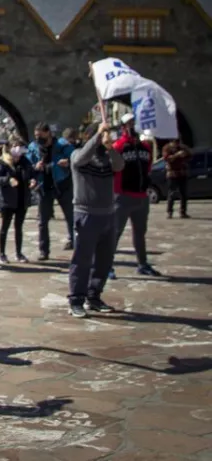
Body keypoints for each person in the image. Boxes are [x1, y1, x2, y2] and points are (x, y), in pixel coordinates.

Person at [68, 122, 124, 318]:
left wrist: (111, 149)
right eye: (101, 137)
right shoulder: (78, 154)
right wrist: (97, 136)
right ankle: (76, 300)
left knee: (104, 260)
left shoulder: (107, 157)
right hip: (86, 214)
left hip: (108, 214)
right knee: (82, 260)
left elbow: (120, 165)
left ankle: (94, 296)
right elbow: (80, 160)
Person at [112, 113, 160, 277]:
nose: (132, 126)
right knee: (115, 232)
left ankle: (142, 263)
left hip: (141, 195)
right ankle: (107, 265)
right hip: (122, 195)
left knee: (140, 232)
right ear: (123, 127)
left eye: (134, 122)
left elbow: (148, 168)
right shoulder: (118, 146)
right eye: (129, 123)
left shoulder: (146, 147)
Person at [26, 122, 76, 259]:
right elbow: (27, 166)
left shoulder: (62, 145)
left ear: (48, 133)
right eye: (36, 136)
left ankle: (76, 244)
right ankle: (44, 251)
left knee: (71, 217)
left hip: (62, 184)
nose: (38, 139)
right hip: (44, 187)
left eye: (40, 135)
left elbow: (77, 158)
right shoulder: (33, 147)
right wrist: (35, 167)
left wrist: (68, 162)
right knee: (42, 221)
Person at [0, 135, 35, 263]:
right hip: (8, 200)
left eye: (20, 147)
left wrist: (33, 180)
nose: (19, 150)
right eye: (16, 146)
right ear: (10, 148)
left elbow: (31, 174)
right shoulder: (3, 162)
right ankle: (2, 254)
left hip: (22, 199)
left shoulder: (25, 161)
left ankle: (19, 253)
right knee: (4, 227)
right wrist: (7, 179)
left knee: (19, 227)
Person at [162, 138, 191, 219]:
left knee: (184, 193)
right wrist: (177, 155)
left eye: (178, 142)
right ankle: (170, 212)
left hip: (182, 173)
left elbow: (190, 155)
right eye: (175, 142)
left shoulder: (183, 147)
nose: (177, 144)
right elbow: (166, 158)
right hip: (172, 174)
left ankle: (183, 212)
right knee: (172, 193)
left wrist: (185, 154)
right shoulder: (167, 148)